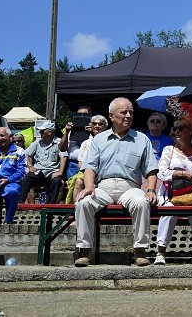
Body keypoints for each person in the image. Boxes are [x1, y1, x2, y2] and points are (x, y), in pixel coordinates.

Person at [74, 97, 158, 267]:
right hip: (103, 186)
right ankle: (85, 251)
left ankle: (140, 251)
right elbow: (89, 167)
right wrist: (89, 187)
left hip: (130, 186)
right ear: (112, 116)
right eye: (124, 112)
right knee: (83, 202)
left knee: (142, 202)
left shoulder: (142, 139)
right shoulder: (99, 139)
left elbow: (151, 169)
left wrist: (150, 189)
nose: (128, 115)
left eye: (131, 112)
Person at [155, 115, 192, 265]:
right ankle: (160, 251)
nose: (177, 131)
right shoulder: (169, 150)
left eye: (181, 128)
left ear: (191, 131)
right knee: (169, 212)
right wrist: (183, 174)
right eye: (174, 128)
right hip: (171, 193)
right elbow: (161, 172)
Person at [19, 121, 67, 204]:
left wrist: (60, 171)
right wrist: (30, 166)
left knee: (57, 182)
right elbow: (26, 153)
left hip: (52, 172)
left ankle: (50, 207)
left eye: (42, 131)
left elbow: (63, 157)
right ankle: (19, 203)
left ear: (50, 132)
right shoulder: (37, 142)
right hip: (38, 172)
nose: (40, 133)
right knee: (25, 180)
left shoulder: (59, 142)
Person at [0, 126, 27, 223]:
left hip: (10, 181)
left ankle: (8, 220)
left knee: (13, 192)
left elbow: (22, 171)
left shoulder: (19, 151)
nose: (0, 138)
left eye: (2, 135)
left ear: (10, 137)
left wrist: (8, 180)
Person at [66, 115, 108, 203]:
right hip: (86, 172)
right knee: (78, 182)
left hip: (104, 173)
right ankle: (76, 210)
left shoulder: (109, 142)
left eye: (100, 124)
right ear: (91, 126)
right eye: (94, 124)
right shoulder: (86, 143)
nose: (97, 126)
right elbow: (80, 162)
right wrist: (88, 175)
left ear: (105, 126)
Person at [59, 105, 92, 180]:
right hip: (72, 164)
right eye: (79, 114)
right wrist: (66, 133)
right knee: (72, 187)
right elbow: (62, 148)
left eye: (84, 115)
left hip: (87, 164)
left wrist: (93, 133)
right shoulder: (71, 130)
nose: (81, 117)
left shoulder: (93, 130)